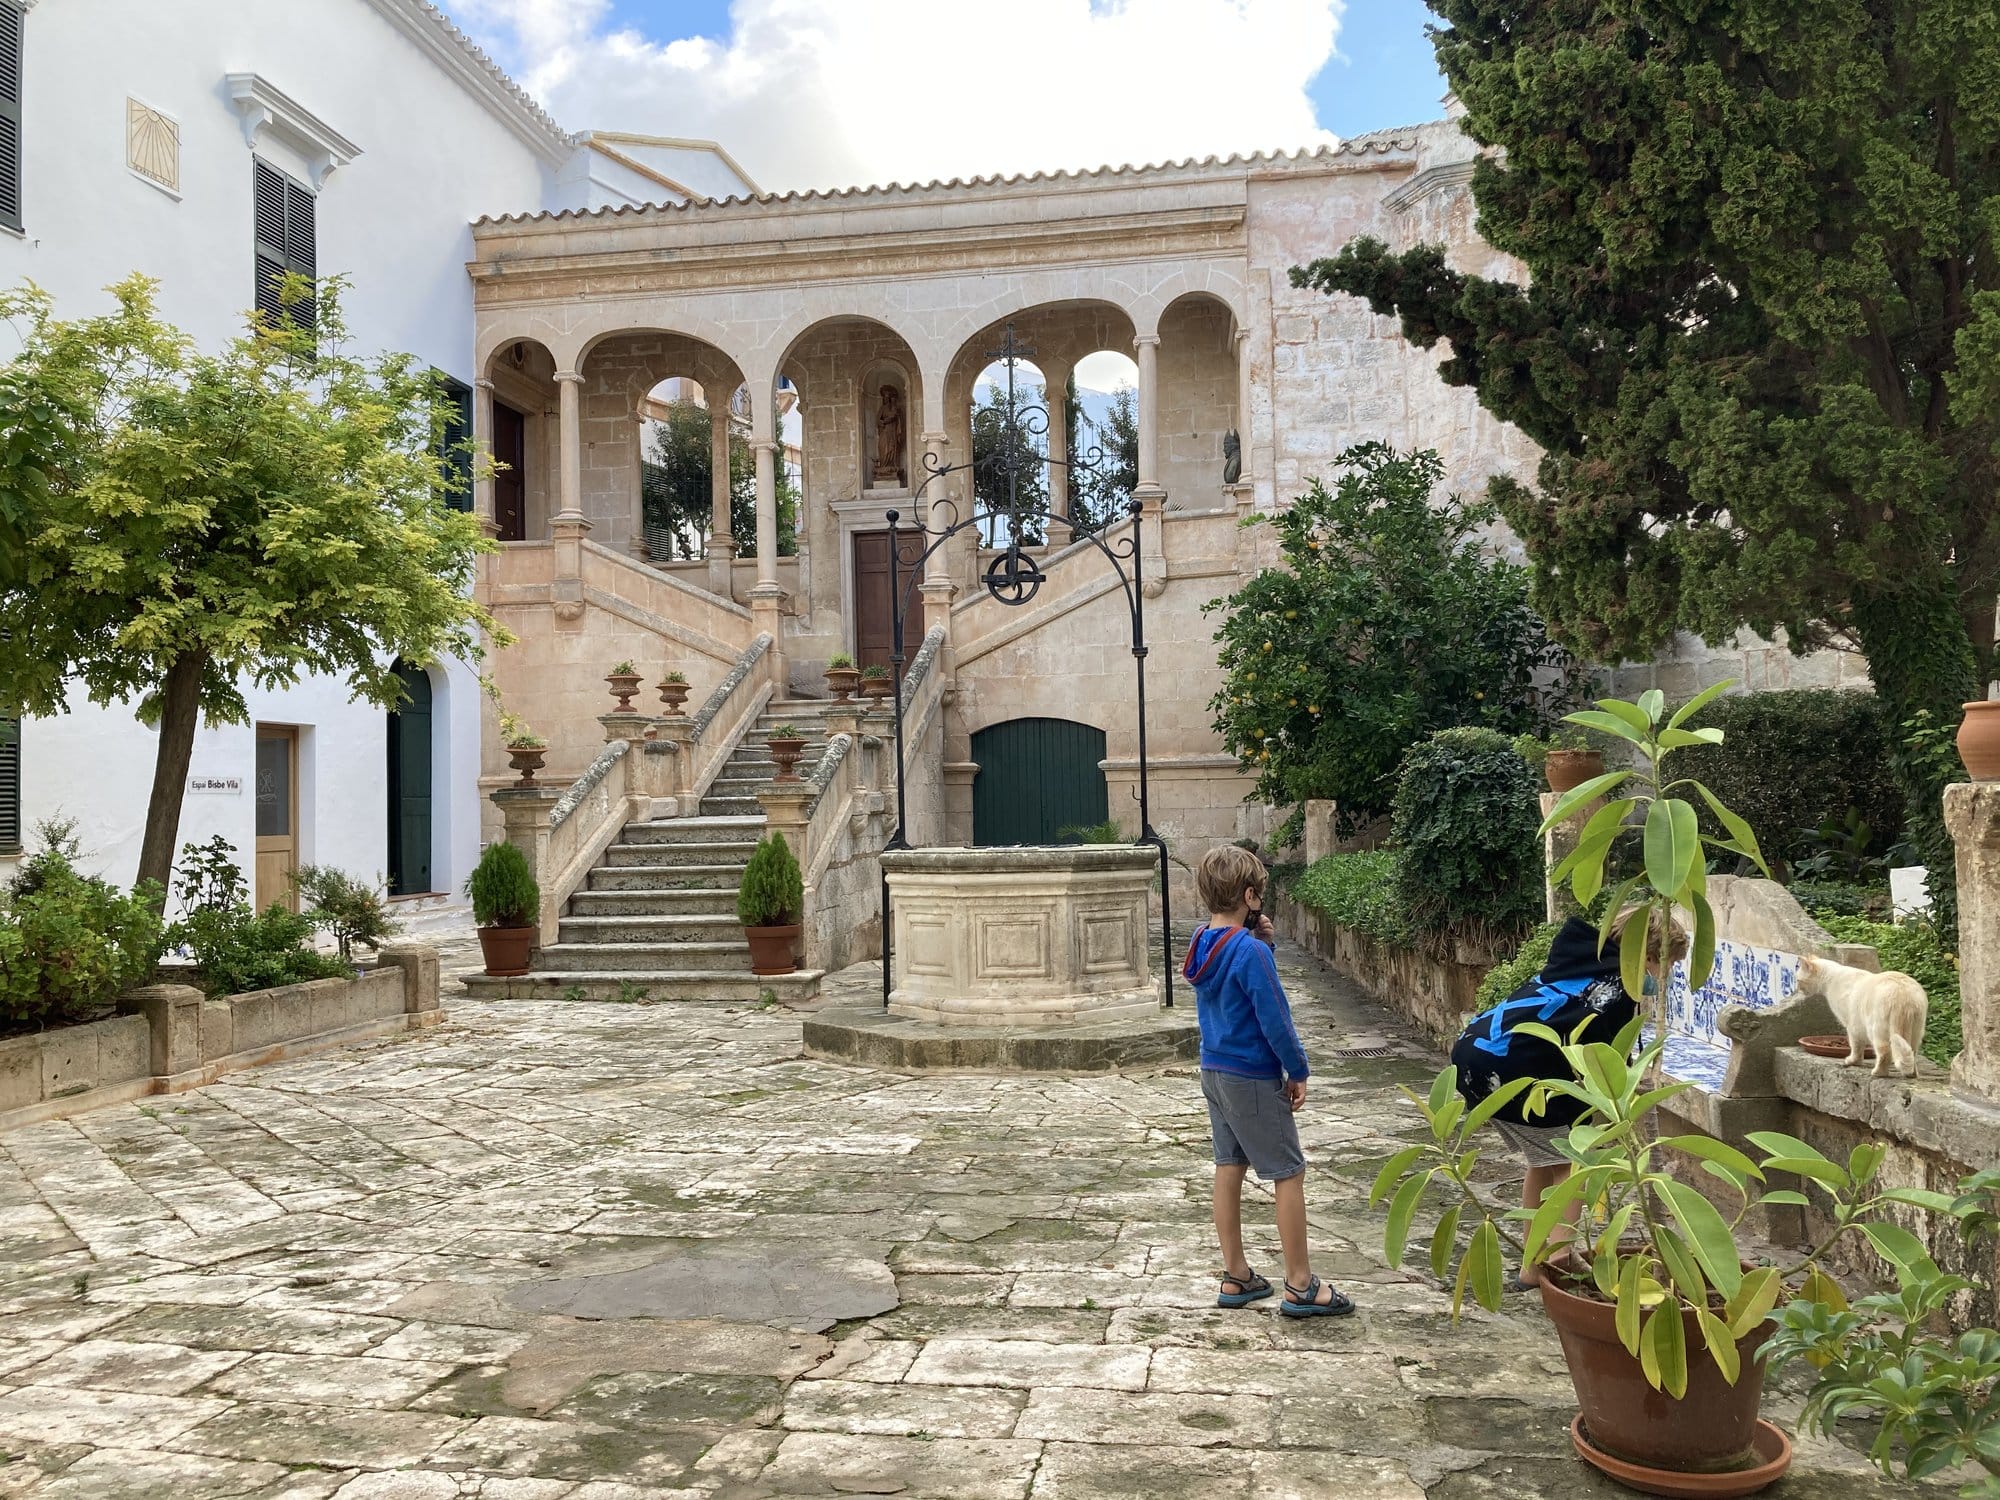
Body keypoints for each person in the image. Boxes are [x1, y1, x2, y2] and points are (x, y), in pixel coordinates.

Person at [1451, 904, 1690, 1289]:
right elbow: (1604, 1064)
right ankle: (1561, 1261)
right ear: (1646, 957)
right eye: (1667, 965)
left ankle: (1532, 1268)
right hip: (1512, 1072)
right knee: (1572, 1166)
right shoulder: (1615, 989)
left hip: (1475, 1063)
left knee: (1544, 1162)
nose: (1666, 975)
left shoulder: (1580, 962)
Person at [1185, 845, 1353, 1318]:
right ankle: (1301, 1283)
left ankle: (1236, 1274)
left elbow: (1232, 985)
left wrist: (1265, 945)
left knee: (1229, 1165)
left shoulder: (1202, 941)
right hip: (1252, 1074)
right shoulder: (1249, 950)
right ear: (1251, 894)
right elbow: (1274, 1018)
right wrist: (1297, 1070)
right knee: (1288, 1172)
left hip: (1214, 1070)